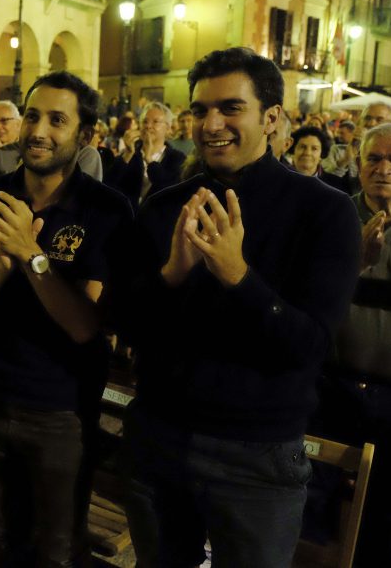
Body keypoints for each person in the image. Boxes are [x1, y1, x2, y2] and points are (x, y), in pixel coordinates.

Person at [114, 48, 362, 567]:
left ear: (271, 118)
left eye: (231, 108)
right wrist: (171, 276)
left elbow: (309, 345)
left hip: (258, 454)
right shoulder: (163, 206)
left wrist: (237, 276)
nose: (211, 124)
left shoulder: (324, 211)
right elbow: (123, 322)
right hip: (159, 438)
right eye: (201, 109)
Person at [0, 70, 132, 568]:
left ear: (85, 135)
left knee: (56, 550)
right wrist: (4, 263)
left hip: (61, 413)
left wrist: (31, 257)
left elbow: (84, 324)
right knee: (0, 539)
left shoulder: (106, 210)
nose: (38, 131)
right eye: (32, 115)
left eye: (57, 120)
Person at [310, 122, 391, 567]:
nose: (384, 169)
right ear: (357, 163)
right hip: (333, 388)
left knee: (385, 518)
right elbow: (307, 295)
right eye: (374, 158)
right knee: (315, 507)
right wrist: (355, 264)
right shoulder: (332, 216)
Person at [107, 101, 185, 209]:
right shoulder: (131, 154)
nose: (148, 126)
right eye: (145, 121)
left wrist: (149, 160)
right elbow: (109, 184)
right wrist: (128, 154)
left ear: (168, 128)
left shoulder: (176, 158)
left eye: (155, 122)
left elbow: (169, 190)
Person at [289, 126, 349, 193]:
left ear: (321, 154)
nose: (307, 153)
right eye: (302, 147)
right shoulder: (280, 179)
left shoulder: (335, 185)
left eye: (314, 148)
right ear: (293, 150)